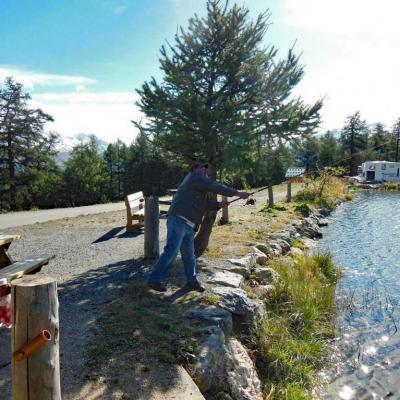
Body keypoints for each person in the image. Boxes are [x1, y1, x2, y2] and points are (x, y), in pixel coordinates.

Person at [147, 162, 250, 292]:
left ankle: (192, 281)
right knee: (172, 251)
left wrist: (218, 204)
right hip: (178, 219)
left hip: (189, 225)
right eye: (202, 167)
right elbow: (214, 185)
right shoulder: (193, 177)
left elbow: (204, 204)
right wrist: (237, 193)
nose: (205, 170)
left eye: (206, 168)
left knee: (190, 255)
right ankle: (154, 280)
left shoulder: (199, 187)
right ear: (194, 169)